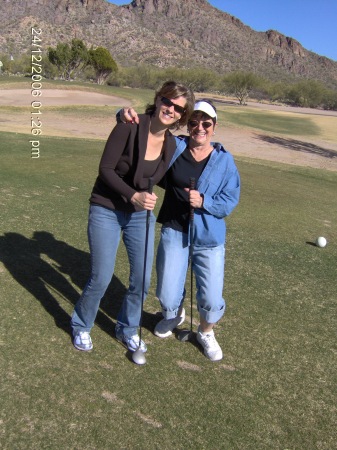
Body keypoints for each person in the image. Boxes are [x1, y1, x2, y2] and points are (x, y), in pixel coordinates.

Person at [70, 81, 195, 353]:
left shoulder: (173, 144)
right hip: (106, 208)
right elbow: (105, 169)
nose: (170, 109)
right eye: (167, 101)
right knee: (101, 277)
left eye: (177, 108)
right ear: (158, 98)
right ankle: (81, 324)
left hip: (140, 216)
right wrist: (133, 195)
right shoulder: (129, 124)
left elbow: (177, 165)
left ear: (182, 116)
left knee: (141, 280)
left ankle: (127, 328)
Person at [119, 99, 240, 361]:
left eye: (206, 123)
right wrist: (125, 116)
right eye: (194, 122)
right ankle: (174, 314)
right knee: (166, 293)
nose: (199, 127)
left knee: (210, 297)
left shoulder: (225, 161)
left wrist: (204, 202)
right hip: (175, 229)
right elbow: (149, 136)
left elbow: (231, 199)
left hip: (209, 237)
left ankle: (206, 331)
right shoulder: (175, 146)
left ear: (214, 127)